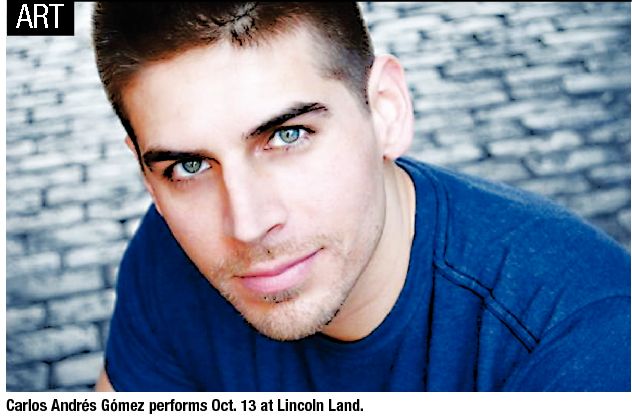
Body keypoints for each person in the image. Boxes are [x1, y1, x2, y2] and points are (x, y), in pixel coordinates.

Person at [92, 2, 630, 391]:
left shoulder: (582, 340)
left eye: (288, 135)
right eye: (189, 166)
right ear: (148, 177)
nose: (247, 224)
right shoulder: (168, 255)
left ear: (386, 111)